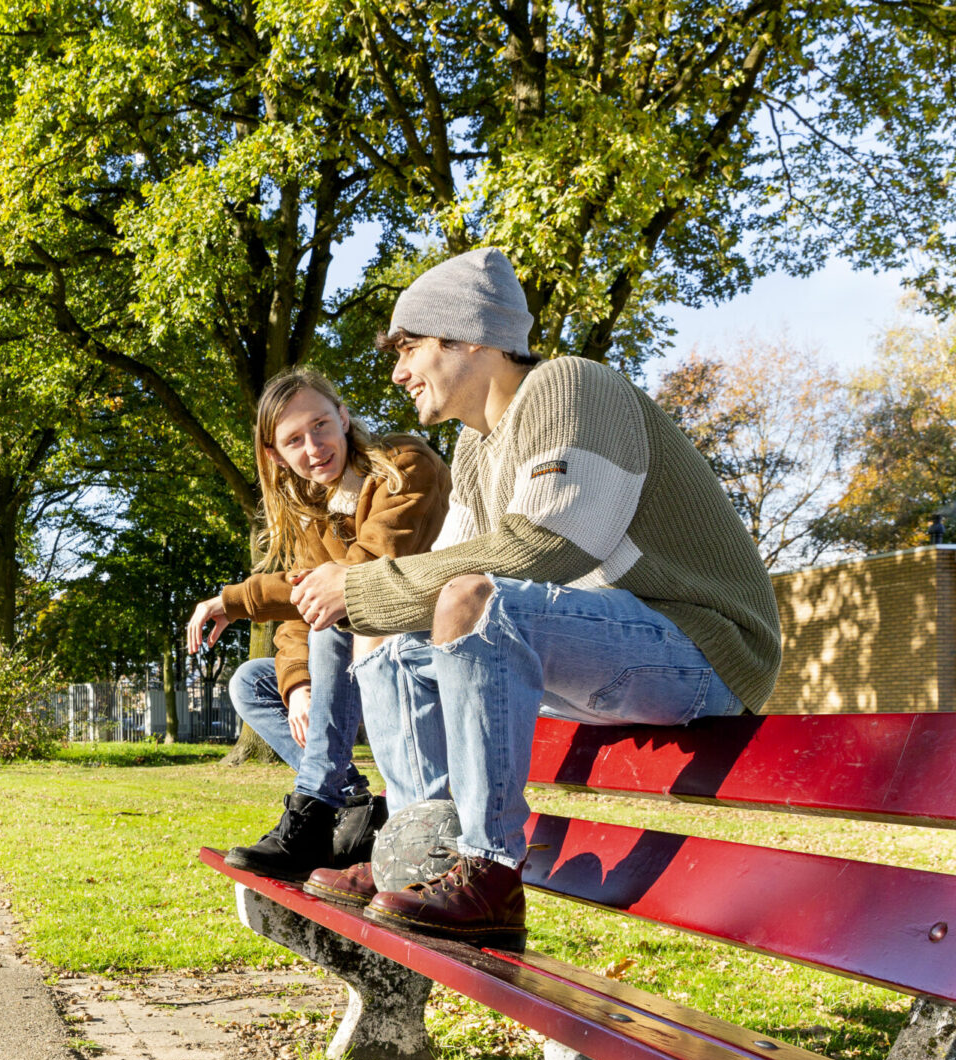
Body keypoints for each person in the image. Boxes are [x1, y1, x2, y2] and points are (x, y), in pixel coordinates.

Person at [293, 248, 781, 950]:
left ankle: (489, 871)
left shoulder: (570, 387)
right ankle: (416, 856)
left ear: (468, 336)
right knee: (390, 632)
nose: (398, 372)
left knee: (464, 601)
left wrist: (366, 584)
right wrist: (371, 603)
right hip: (604, 649)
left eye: (408, 347)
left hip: (704, 644)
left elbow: (547, 547)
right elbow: (437, 583)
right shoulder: (472, 445)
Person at [186, 366, 449, 881]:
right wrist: (301, 683)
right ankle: (352, 804)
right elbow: (296, 619)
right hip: (358, 672)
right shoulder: (312, 507)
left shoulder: (404, 465)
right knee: (255, 681)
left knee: (338, 607)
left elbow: (366, 574)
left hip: (424, 657)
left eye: (321, 425)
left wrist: (236, 599)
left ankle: (313, 808)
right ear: (275, 455)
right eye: (294, 440)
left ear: (344, 417)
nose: (314, 447)